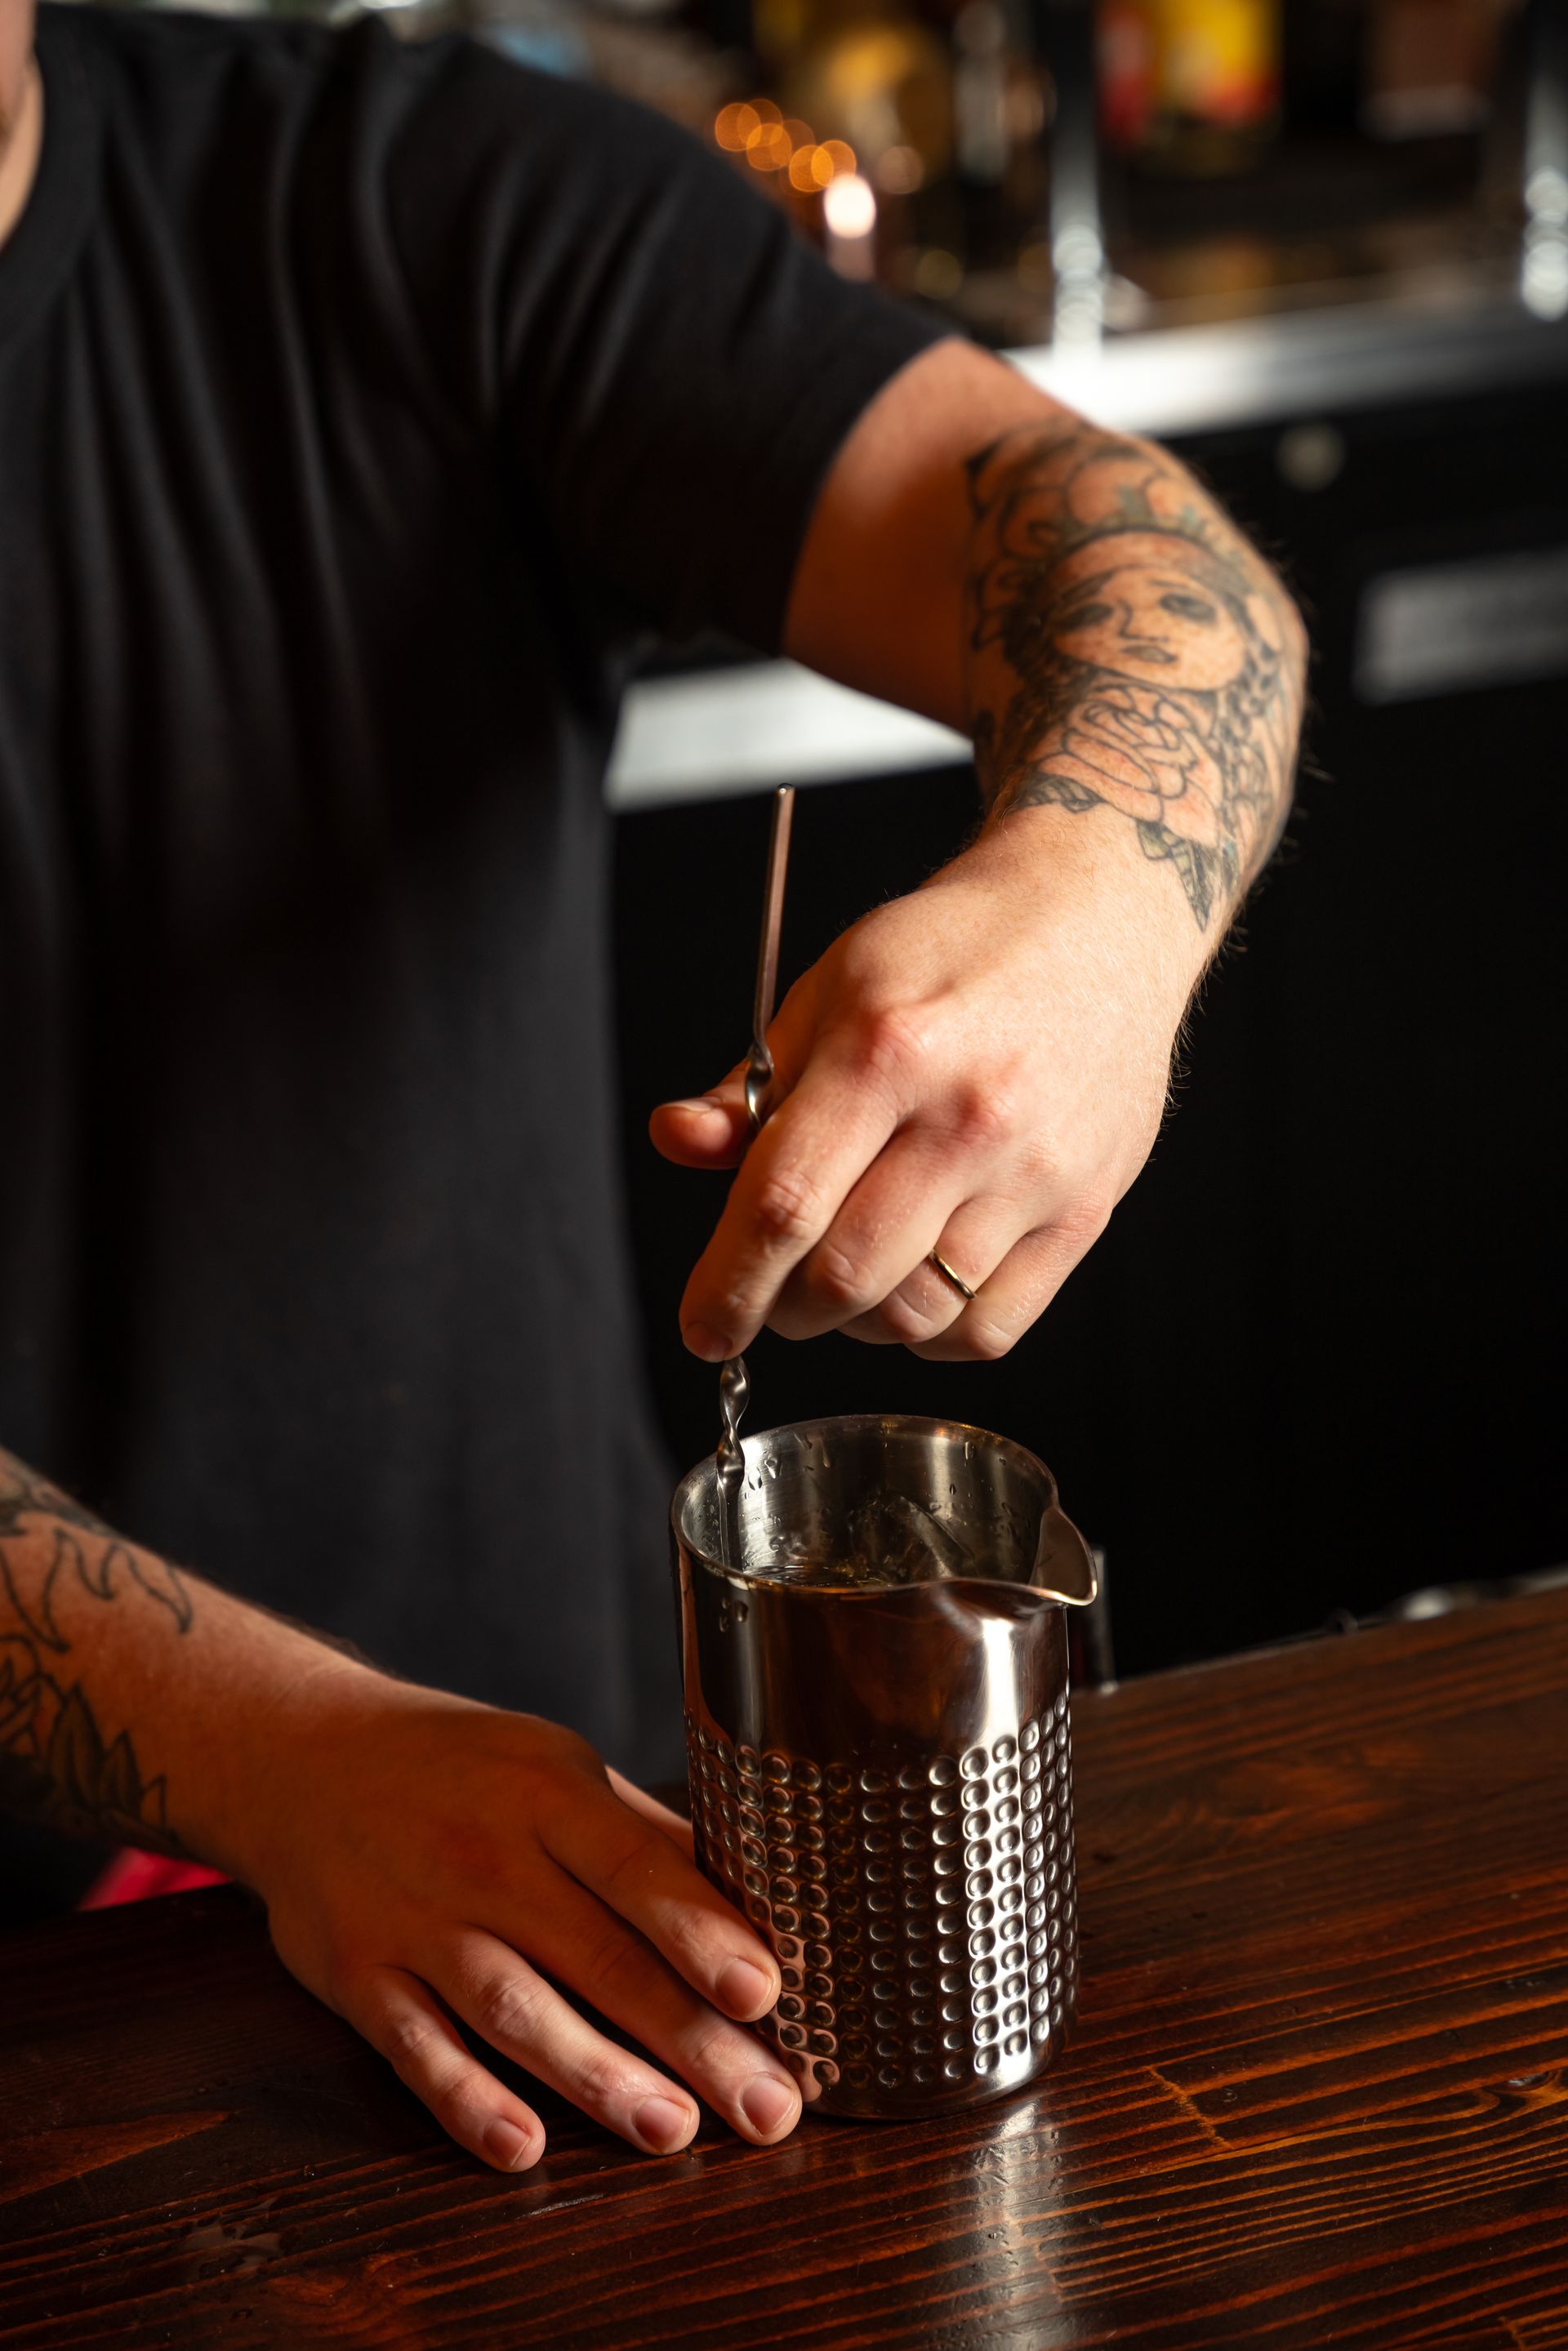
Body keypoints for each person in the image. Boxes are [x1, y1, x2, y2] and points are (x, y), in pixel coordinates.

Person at [0, 0, 1304, 2171]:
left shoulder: (406, 193)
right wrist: (283, 1761)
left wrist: (1098, 894)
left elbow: (1140, 560)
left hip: (588, 1903)